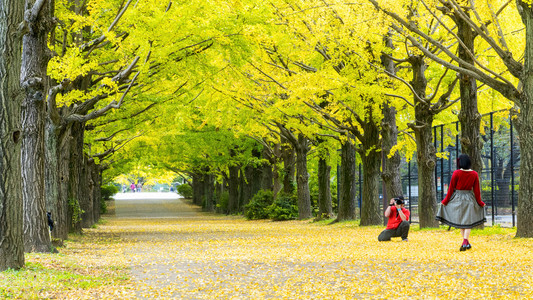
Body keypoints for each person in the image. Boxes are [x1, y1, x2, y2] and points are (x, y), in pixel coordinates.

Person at [436, 154, 486, 251]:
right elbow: (476, 190)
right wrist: (479, 202)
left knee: (462, 221)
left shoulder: (456, 173)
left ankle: (465, 241)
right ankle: (466, 242)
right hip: (469, 199)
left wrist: (445, 201)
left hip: (457, 198)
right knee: (467, 222)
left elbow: (451, 189)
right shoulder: (474, 174)